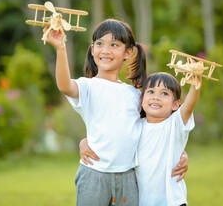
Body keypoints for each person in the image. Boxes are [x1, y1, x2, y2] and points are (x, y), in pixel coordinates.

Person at [45, 19, 187, 206]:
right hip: (94, 175)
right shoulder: (88, 87)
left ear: (127, 52)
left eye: (114, 45)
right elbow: (64, 85)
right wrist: (60, 49)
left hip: (128, 177)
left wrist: (180, 153)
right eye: (99, 44)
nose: (105, 50)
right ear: (92, 49)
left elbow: (158, 128)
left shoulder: (135, 95)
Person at [81, 72, 200, 206]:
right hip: (143, 201)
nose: (156, 97)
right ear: (141, 99)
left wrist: (195, 85)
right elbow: (113, 136)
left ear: (175, 104)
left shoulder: (174, 125)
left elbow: (188, 107)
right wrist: (84, 142)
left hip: (171, 201)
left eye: (164, 93)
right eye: (151, 91)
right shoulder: (135, 126)